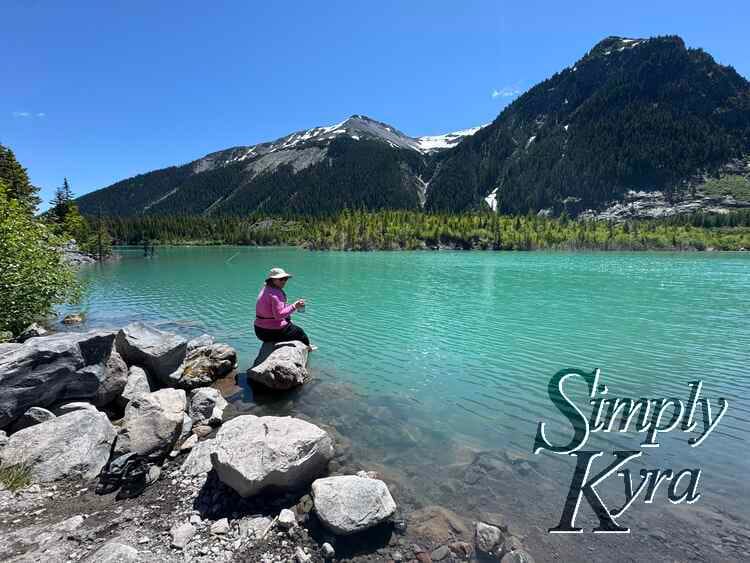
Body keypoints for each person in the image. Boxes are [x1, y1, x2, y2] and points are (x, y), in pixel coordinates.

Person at [254, 267, 316, 351]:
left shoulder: (266, 289)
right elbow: (279, 315)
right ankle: (308, 348)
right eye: (281, 279)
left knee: (289, 323)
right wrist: (294, 306)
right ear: (273, 280)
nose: (284, 281)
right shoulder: (275, 294)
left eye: (285, 279)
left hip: (259, 331)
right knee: (300, 332)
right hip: (270, 332)